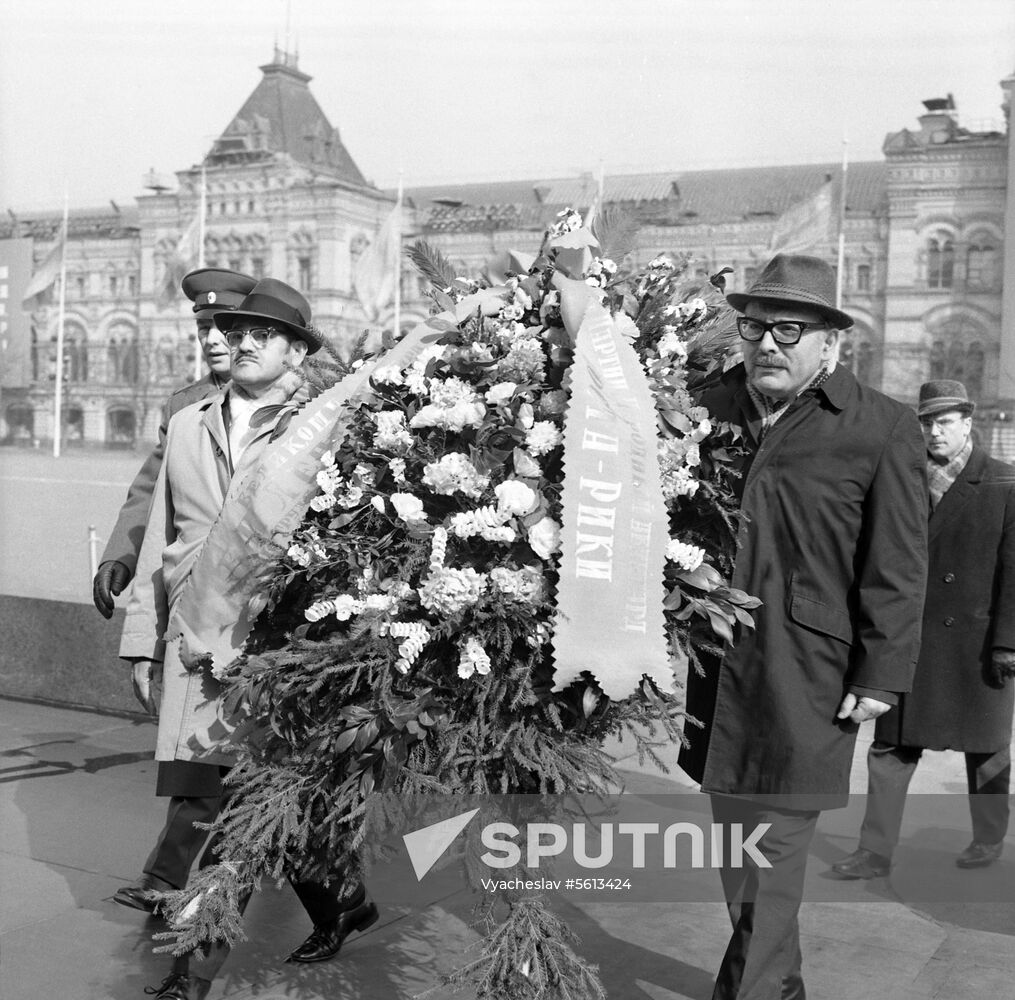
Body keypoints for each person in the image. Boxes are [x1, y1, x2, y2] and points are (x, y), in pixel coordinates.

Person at [678, 254, 928, 1000]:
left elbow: (898, 565)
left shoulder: (879, 428)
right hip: (716, 671)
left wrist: (883, 673)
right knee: (736, 849)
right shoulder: (704, 410)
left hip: (809, 674)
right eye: (754, 326)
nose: (768, 344)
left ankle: (752, 992)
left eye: (790, 329)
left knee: (775, 852)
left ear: (830, 344)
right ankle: (779, 984)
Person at [121, 278, 376, 1000]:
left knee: (227, 810)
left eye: (258, 332)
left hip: (276, 646)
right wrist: (141, 642)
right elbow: (157, 545)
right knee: (224, 798)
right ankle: (341, 900)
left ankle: (189, 972)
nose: (238, 341)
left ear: (298, 349)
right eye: (233, 330)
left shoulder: (325, 428)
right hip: (195, 640)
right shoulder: (187, 423)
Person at [93, 267, 256, 911]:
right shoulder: (186, 405)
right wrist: (121, 557)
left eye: (227, 326)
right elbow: (152, 493)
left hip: (263, 607)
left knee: (243, 764)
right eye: (203, 326)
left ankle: (335, 896)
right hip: (197, 607)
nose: (213, 338)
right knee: (202, 751)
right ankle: (170, 883)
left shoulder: (305, 400)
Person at [832, 379, 1015, 880]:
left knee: (988, 751)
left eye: (946, 422)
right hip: (907, 640)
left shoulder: (1004, 481)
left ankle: (987, 839)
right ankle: (874, 852)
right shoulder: (900, 478)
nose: (935, 432)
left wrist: (1008, 641)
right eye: (927, 422)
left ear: (968, 423)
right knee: (890, 751)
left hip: (976, 646)